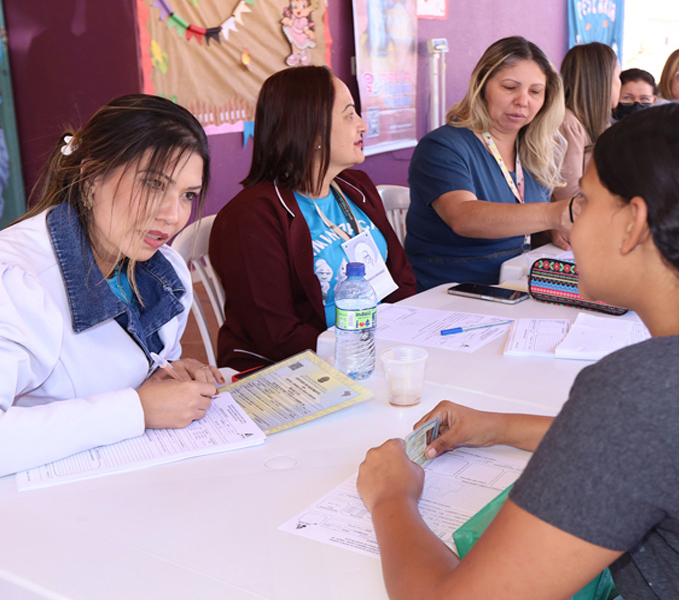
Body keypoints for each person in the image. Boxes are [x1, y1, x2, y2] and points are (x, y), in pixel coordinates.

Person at [358, 101, 679, 599]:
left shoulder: (648, 389)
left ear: (633, 223)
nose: (572, 225)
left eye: (585, 202)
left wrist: (392, 496)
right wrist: (498, 427)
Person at [0, 95, 222, 477]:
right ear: (90, 178)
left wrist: (164, 376)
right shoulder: (16, 282)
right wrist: (137, 408)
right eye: (153, 184)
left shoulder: (164, 272)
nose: (173, 215)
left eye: (187, 195)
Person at [209, 67, 416, 372]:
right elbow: (276, 334)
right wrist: (356, 352)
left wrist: (405, 335)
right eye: (349, 115)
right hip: (292, 370)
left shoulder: (356, 187)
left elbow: (401, 277)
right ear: (311, 129)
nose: (362, 125)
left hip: (375, 352)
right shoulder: (252, 217)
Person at [405, 36, 574, 291]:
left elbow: (519, 216)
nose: (523, 100)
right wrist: (554, 214)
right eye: (509, 87)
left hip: (515, 286)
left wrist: (549, 229)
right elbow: (464, 218)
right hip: (450, 293)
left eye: (535, 92)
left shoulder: (534, 150)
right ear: (482, 85)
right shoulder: (441, 147)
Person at [553, 42, 621, 202]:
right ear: (601, 81)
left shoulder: (601, 123)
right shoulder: (567, 124)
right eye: (618, 76)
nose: (620, 83)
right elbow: (569, 195)